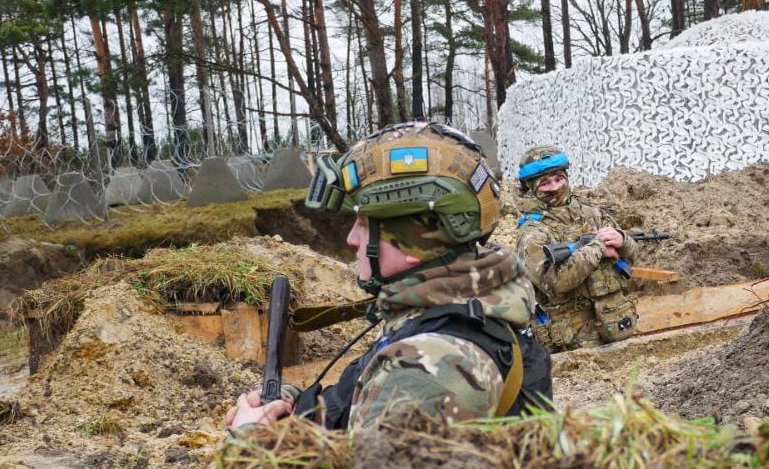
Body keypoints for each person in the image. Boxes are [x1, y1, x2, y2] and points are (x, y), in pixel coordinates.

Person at [227, 122, 551, 432]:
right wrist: (295, 410)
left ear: (413, 242)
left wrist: (252, 442)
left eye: (365, 225)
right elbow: (361, 413)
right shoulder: (456, 306)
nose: (352, 239)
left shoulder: (429, 367)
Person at [514, 145, 640, 351]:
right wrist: (597, 248)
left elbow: (632, 260)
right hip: (574, 343)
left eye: (559, 179)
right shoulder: (532, 232)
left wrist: (623, 242)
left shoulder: (592, 214)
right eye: (545, 183)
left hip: (616, 323)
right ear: (531, 188)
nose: (554, 187)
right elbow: (554, 283)